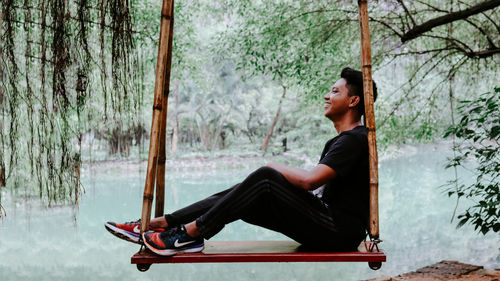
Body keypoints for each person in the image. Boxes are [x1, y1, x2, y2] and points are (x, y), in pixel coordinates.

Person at [105, 67, 377, 256]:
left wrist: (271, 167)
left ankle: (187, 234)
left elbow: (309, 181)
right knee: (246, 193)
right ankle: (162, 225)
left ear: (353, 100)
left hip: (339, 231)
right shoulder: (342, 140)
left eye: (335, 91)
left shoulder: (355, 139)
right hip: (327, 223)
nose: (327, 96)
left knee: (264, 178)